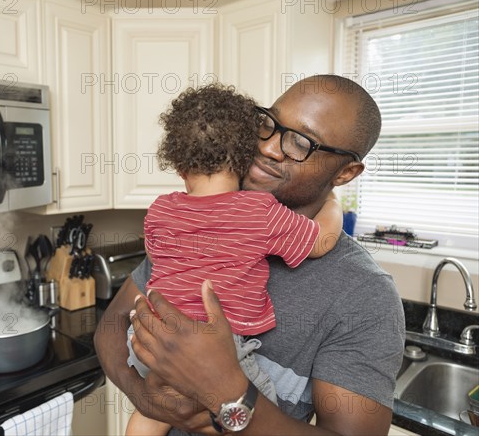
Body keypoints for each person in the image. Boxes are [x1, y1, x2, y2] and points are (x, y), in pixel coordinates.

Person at [94, 75, 406, 435]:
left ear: (346, 173)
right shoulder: (205, 219)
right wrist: (151, 401)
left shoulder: (365, 295)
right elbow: (111, 328)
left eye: (301, 142)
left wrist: (230, 398)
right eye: (267, 123)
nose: (270, 147)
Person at [124, 84, 343, 436]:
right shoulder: (258, 211)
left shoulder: (161, 209)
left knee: (152, 412)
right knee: (263, 411)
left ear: (178, 164)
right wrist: (333, 205)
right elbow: (321, 241)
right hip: (220, 348)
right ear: (246, 157)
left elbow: (156, 253)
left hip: (151, 341)